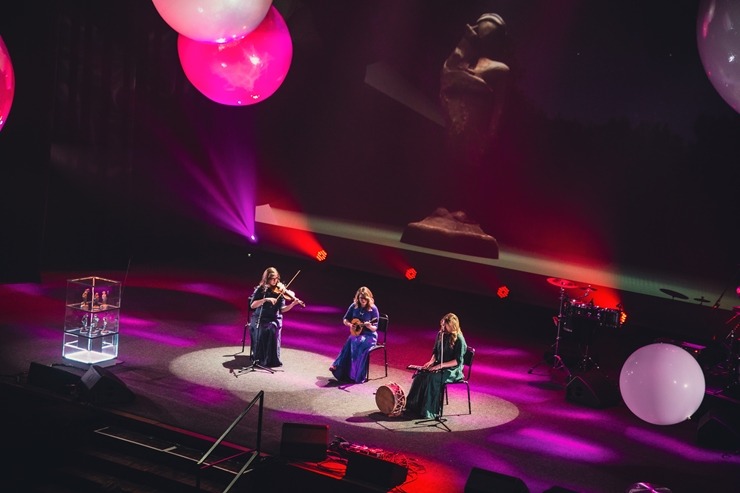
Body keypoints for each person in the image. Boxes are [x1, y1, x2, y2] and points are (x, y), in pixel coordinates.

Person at [440, 13, 510, 168]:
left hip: (475, 137)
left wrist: (490, 137)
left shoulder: (500, 69)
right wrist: (464, 43)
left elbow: (499, 108)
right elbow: (447, 76)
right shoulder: (462, 64)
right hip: (452, 129)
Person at [405, 313, 467, 419]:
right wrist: (431, 361)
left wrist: (441, 366)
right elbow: (435, 351)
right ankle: (413, 406)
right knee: (420, 375)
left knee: (433, 378)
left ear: (452, 326)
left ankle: (428, 411)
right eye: (442, 325)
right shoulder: (440, 335)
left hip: (452, 370)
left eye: (445, 326)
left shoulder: (459, 340)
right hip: (440, 365)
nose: (442, 328)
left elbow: (457, 361)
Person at [247, 267, 301, 367]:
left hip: (274, 318)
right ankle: (260, 357)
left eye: (277, 278)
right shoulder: (261, 290)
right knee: (263, 328)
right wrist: (265, 299)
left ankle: (272, 359)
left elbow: (282, 309)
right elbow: (252, 305)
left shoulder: (280, 291)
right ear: (267, 279)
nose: (275, 281)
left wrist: (292, 304)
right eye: (273, 278)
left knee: (272, 328)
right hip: (260, 317)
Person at [329, 286, 380, 383]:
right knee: (352, 340)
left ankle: (354, 374)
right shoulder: (354, 306)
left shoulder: (373, 309)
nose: (363, 300)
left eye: (365, 298)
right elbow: (345, 319)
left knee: (354, 341)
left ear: (369, 298)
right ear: (358, 298)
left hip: (369, 336)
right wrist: (350, 324)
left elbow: (375, 328)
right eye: (361, 298)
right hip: (357, 334)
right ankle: (342, 370)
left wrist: (369, 326)